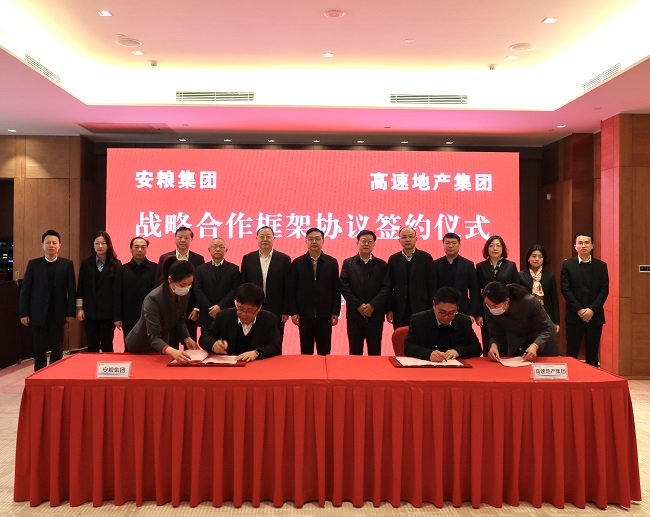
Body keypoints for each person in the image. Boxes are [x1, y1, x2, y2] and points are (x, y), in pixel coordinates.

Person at [19, 230, 76, 371]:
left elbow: (72, 291)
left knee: (57, 350)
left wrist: (71, 312)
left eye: (54, 243)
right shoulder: (34, 264)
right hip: (37, 314)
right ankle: (39, 378)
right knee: (39, 351)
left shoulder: (67, 264)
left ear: (59, 245)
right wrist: (24, 313)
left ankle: (55, 377)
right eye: (48, 243)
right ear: (42, 245)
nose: (51, 245)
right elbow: (25, 291)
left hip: (58, 314)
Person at [125, 257, 199, 364]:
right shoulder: (153, 299)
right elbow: (153, 336)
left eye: (189, 284)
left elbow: (180, 320)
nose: (186, 288)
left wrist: (187, 338)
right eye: (182, 285)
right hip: (140, 345)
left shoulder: (184, 294)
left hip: (161, 345)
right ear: (170, 280)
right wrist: (173, 351)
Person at [560, 232, 609, 367]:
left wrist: (592, 310)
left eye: (586, 243)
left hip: (595, 316)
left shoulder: (601, 266)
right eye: (580, 243)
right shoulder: (567, 265)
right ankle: (572, 378)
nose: (583, 246)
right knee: (571, 353)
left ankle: (592, 379)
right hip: (574, 315)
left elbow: (604, 290)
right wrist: (579, 310)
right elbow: (565, 289)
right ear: (575, 246)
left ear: (592, 245)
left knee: (593, 353)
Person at [290, 228, 341, 355]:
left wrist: (335, 312)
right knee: (306, 352)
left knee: (324, 352)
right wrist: (294, 312)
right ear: (306, 241)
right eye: (311, 239)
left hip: (325, 314)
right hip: (304, 315)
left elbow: (336, 289)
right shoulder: (297, 263)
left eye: (317, 239)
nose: (314, 242)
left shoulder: (331, 262)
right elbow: (292, 290)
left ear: (323, 241)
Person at [199, 282, 281, 361]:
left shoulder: (269, 319)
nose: (244, 314)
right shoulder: (224, 316)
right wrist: (214, 344)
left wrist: (257, 352)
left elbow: (276, 346)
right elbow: (204, 338)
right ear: (236, 303)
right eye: (240, 308)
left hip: (256, 365)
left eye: (249, 311)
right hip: (230, 365)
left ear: (259, 308)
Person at [340, 230, 391, 355]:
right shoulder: (348, 263)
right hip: (354, 315)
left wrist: (372, 305)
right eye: (363, 241)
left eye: (369, 241)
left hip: (375, 315)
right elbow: (344, 286)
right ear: (357, 243)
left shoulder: (382, 265)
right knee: (355, 351)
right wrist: (358, 306)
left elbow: (386, 287)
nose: (366, 244)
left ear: (374, 244)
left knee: (375, 352)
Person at [483, 281, 559, 361]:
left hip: (542, 341)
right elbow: (495, 331)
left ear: (507, 300)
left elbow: (547, 328)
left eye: (495, 306)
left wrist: (535, 345)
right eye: (488, 305)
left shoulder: (528, 301)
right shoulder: (488, 306)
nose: (491, 309)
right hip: (518, 342)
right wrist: (494, 345)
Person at [240, 226, 291, 345]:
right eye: (261, 236)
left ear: (274, 238)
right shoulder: (248, 259)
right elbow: (243, 284)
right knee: (253, 338)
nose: (265, 239)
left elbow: (288, 286)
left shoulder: (284, 259)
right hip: (252, 306)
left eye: (268, 236)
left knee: (276, 339)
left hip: (277, 307)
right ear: (257, 239)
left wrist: (286, 310)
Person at [155, 226, 205, 347]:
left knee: (190, 343)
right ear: (175, 238)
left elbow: (199, 286)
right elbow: (159, 283)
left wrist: (197, 308)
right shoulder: (165, 258)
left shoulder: (198, 259)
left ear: (191, 239)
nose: (182, 240)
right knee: (170, 343)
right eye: (180, 237)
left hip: (190, 309)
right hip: (169, 307)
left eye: (186, 238)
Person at [404, 287, 482, 361]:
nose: (446, 317)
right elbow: (409, 347)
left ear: (457, 308)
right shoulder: (419, 320)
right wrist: (429, 354)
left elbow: (477, 348)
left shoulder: (464, 321)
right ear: (434, 305)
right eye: (442, 312)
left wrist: (458, 351)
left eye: (451, 313)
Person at [75, 231, 121, 352]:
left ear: (109, 245)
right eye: (97, 243)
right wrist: (79, 308)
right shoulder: (86, 263)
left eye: (104, 243)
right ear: (93, 245)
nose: (100, 246)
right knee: (92, 345)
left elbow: (118, 292)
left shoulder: (116, 264)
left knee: (107, 345)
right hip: (90, 311)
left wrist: (117, 315)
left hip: (108, 313)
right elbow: (81, 287)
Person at [475, 235, 520, 355]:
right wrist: (478, 314)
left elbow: (516, 289)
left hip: (506, 309)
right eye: (491, 245)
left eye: (498, 245)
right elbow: (477, 292)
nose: (495, 248)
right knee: (489, 338)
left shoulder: (511, 265)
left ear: (503, 248)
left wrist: (514, 310)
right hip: (487, 309)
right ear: (487, 248)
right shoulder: (480, 266)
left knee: (506, 340)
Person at [386, 227, 437, 329]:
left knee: (421, 337)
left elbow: (432, 286)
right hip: (399, 310)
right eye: (404, 237)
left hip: (421, 309)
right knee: (401, 337)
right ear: (399, 240)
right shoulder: (393, 259)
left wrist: (431, 309)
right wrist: (389, 309)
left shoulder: (426, 258)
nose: (408, 240)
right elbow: (389, 287)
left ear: (416, 239)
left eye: (410, 236)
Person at [113, 236, 157, 339]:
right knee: (129, 345)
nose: (140, 250)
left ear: (147, 249)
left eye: (143, 247)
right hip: (128, 316)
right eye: (136, 247)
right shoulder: (122, 270)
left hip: (150, 316)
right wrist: (117, 317)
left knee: (150, 345)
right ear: (130, 249)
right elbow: (117, 295)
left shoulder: (155, 268)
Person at [194, 237, 240, 331]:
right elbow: (198, 289)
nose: (218, 249)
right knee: (206, 339)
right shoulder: (200, 269)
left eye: (221, 247)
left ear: (226, 250)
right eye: (214, 247)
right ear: (209, 249)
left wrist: (220, 307)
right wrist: (211, 309)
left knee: (228, 339)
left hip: (226, 312)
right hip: (207, 313)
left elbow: (235, 290)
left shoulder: (234, 269)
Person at [434, 232, 480, 321]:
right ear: (443, 245)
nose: (450, 246)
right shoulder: (435, 264)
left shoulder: (468, 265)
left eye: (454, 243)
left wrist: (472, 314)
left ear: (459, 245)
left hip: (462, 311)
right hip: (440, 311)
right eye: (447, 243)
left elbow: (474, 291)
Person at [518, 244, 560, 334]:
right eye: (534, 256)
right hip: (526, 314)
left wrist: (556, 322)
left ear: (543, 259)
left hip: (545, 314)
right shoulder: (520, 275)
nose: (537, 259)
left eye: (540, 257)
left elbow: (554, 300)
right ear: (528, 258)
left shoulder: (549, 276)